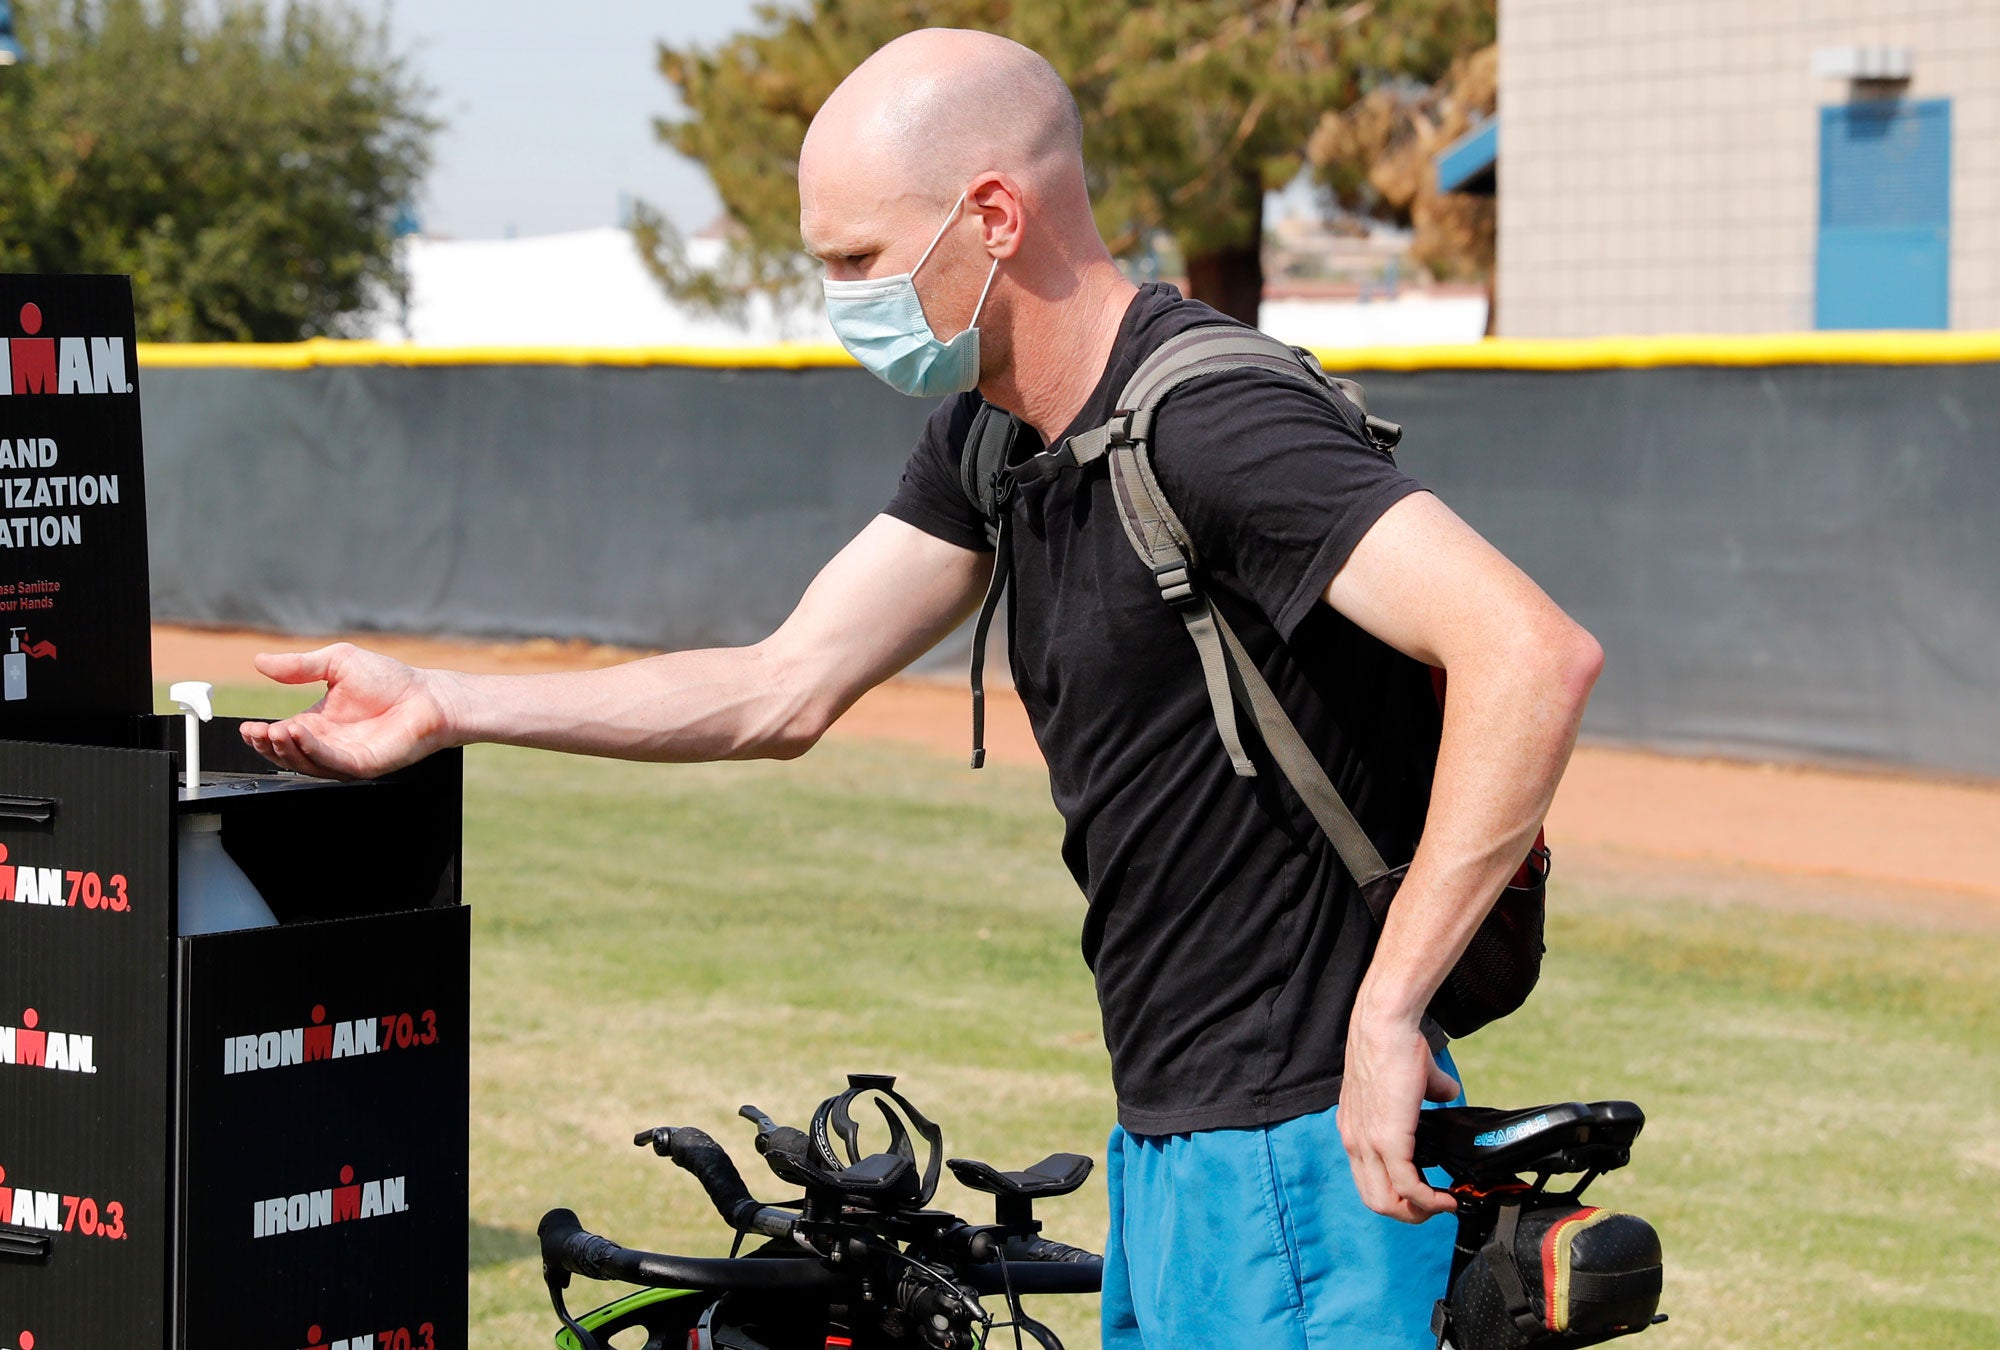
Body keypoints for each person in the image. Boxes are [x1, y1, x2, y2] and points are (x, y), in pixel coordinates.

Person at [242, 28, 1600, 1349]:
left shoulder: (1212, 420)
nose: (841, 300)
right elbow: (781, 684)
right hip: (1174, 1141)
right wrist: (447, 700)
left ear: (994, 214)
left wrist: (1386, 1010)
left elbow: (1529, 652)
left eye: (858, 260)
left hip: (1309, 1153)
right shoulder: (994, 435)